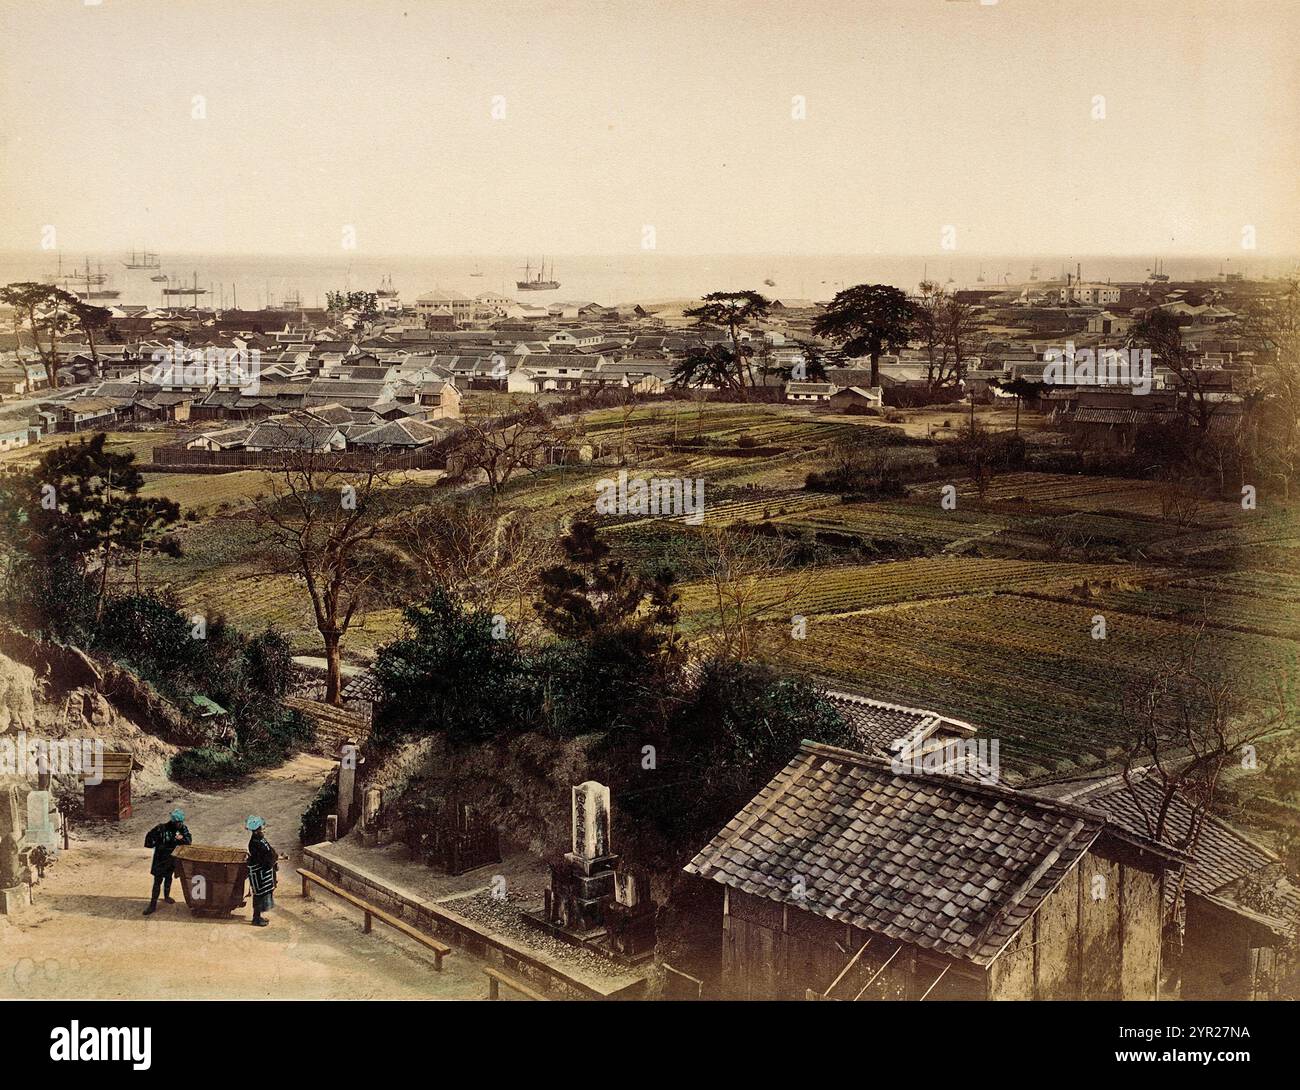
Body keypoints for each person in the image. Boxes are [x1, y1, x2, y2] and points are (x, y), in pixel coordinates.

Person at [143, 808, 192, 915]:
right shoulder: (161, 828)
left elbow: (189, 841)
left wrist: (181, 838)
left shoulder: (182, 829)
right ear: (173, 822)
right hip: (160, 858)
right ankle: (152, 904)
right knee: (157, 881)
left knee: (169, 877)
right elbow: (149, 837)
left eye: (181, 822)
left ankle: (166, 896)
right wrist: (154, 844)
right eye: (178, 823)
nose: (180, 824)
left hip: (172, 858)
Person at [245, 816, 279, 927]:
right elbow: (262, 857)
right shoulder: (255, 842)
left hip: (263, 870)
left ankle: (258, 916)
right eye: (261, 827)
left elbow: (269, 851)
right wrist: (272, 861)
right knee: (259, 895)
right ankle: (256, 918)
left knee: (262, 894)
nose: (263, 829)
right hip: (259, 872)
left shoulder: (260, 839)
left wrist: (274, 859)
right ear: (257, 829)